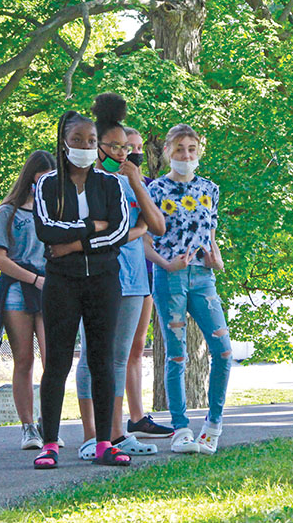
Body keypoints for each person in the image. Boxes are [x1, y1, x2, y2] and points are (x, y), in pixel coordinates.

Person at [32, 110, 131, 469]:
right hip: (62, 282)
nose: (86, 147)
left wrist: (76, 243)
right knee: (56, 362)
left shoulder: (112, 184)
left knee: (101, 360)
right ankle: (50, 444)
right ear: (64, 142)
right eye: (78, 140)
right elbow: (47, 230)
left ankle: (104, 441)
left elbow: (119, 232)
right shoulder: (46, 184)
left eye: (92, 141)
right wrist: (92, 226)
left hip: (104, 280)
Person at [75, 95, 166, 460]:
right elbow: (92, 236)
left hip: (132, 280)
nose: (124, 153)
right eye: (116, 147)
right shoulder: (85, 181)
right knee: (91, 357)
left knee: (118, 356)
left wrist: (137, 182)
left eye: (128, 148)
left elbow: (156, 225)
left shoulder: (130, 179)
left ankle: (114, 434)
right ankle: (89, 435)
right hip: (94, 277)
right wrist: (128, 230)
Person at [144, 124, 231, 455]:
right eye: (180, 149)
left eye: (192, 149)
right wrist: (166, 265)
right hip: (171, 278)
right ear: (168, 151)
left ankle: (214, 423)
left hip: (202, 277)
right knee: (176, 354)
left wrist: (216, 260)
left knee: (223, 350)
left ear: (199, 151)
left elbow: (211, 236)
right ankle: (181, 427)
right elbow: (144, 240)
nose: (186, 155)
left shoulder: (210, 189)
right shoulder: (156, 190)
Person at [0, 150, 56, 450]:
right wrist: (34, 279)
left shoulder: (56, 212)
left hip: (50, 289)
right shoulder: (9, 212)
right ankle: (28, 426)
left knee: (53, 360)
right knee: (24, 359)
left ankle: (49, 424)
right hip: (18, 289)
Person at [121, 127, 174, 441]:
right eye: (130, 147)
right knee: (120, 349)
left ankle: (138, 416)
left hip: (147, 274)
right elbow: (138, 228)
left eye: (140, 147)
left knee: (138, 347)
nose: (136, 153)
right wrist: (141, 229)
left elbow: (157, 227)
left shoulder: (149, 186)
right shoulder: (113, 184)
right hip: (121, 272)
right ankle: (117, 419)